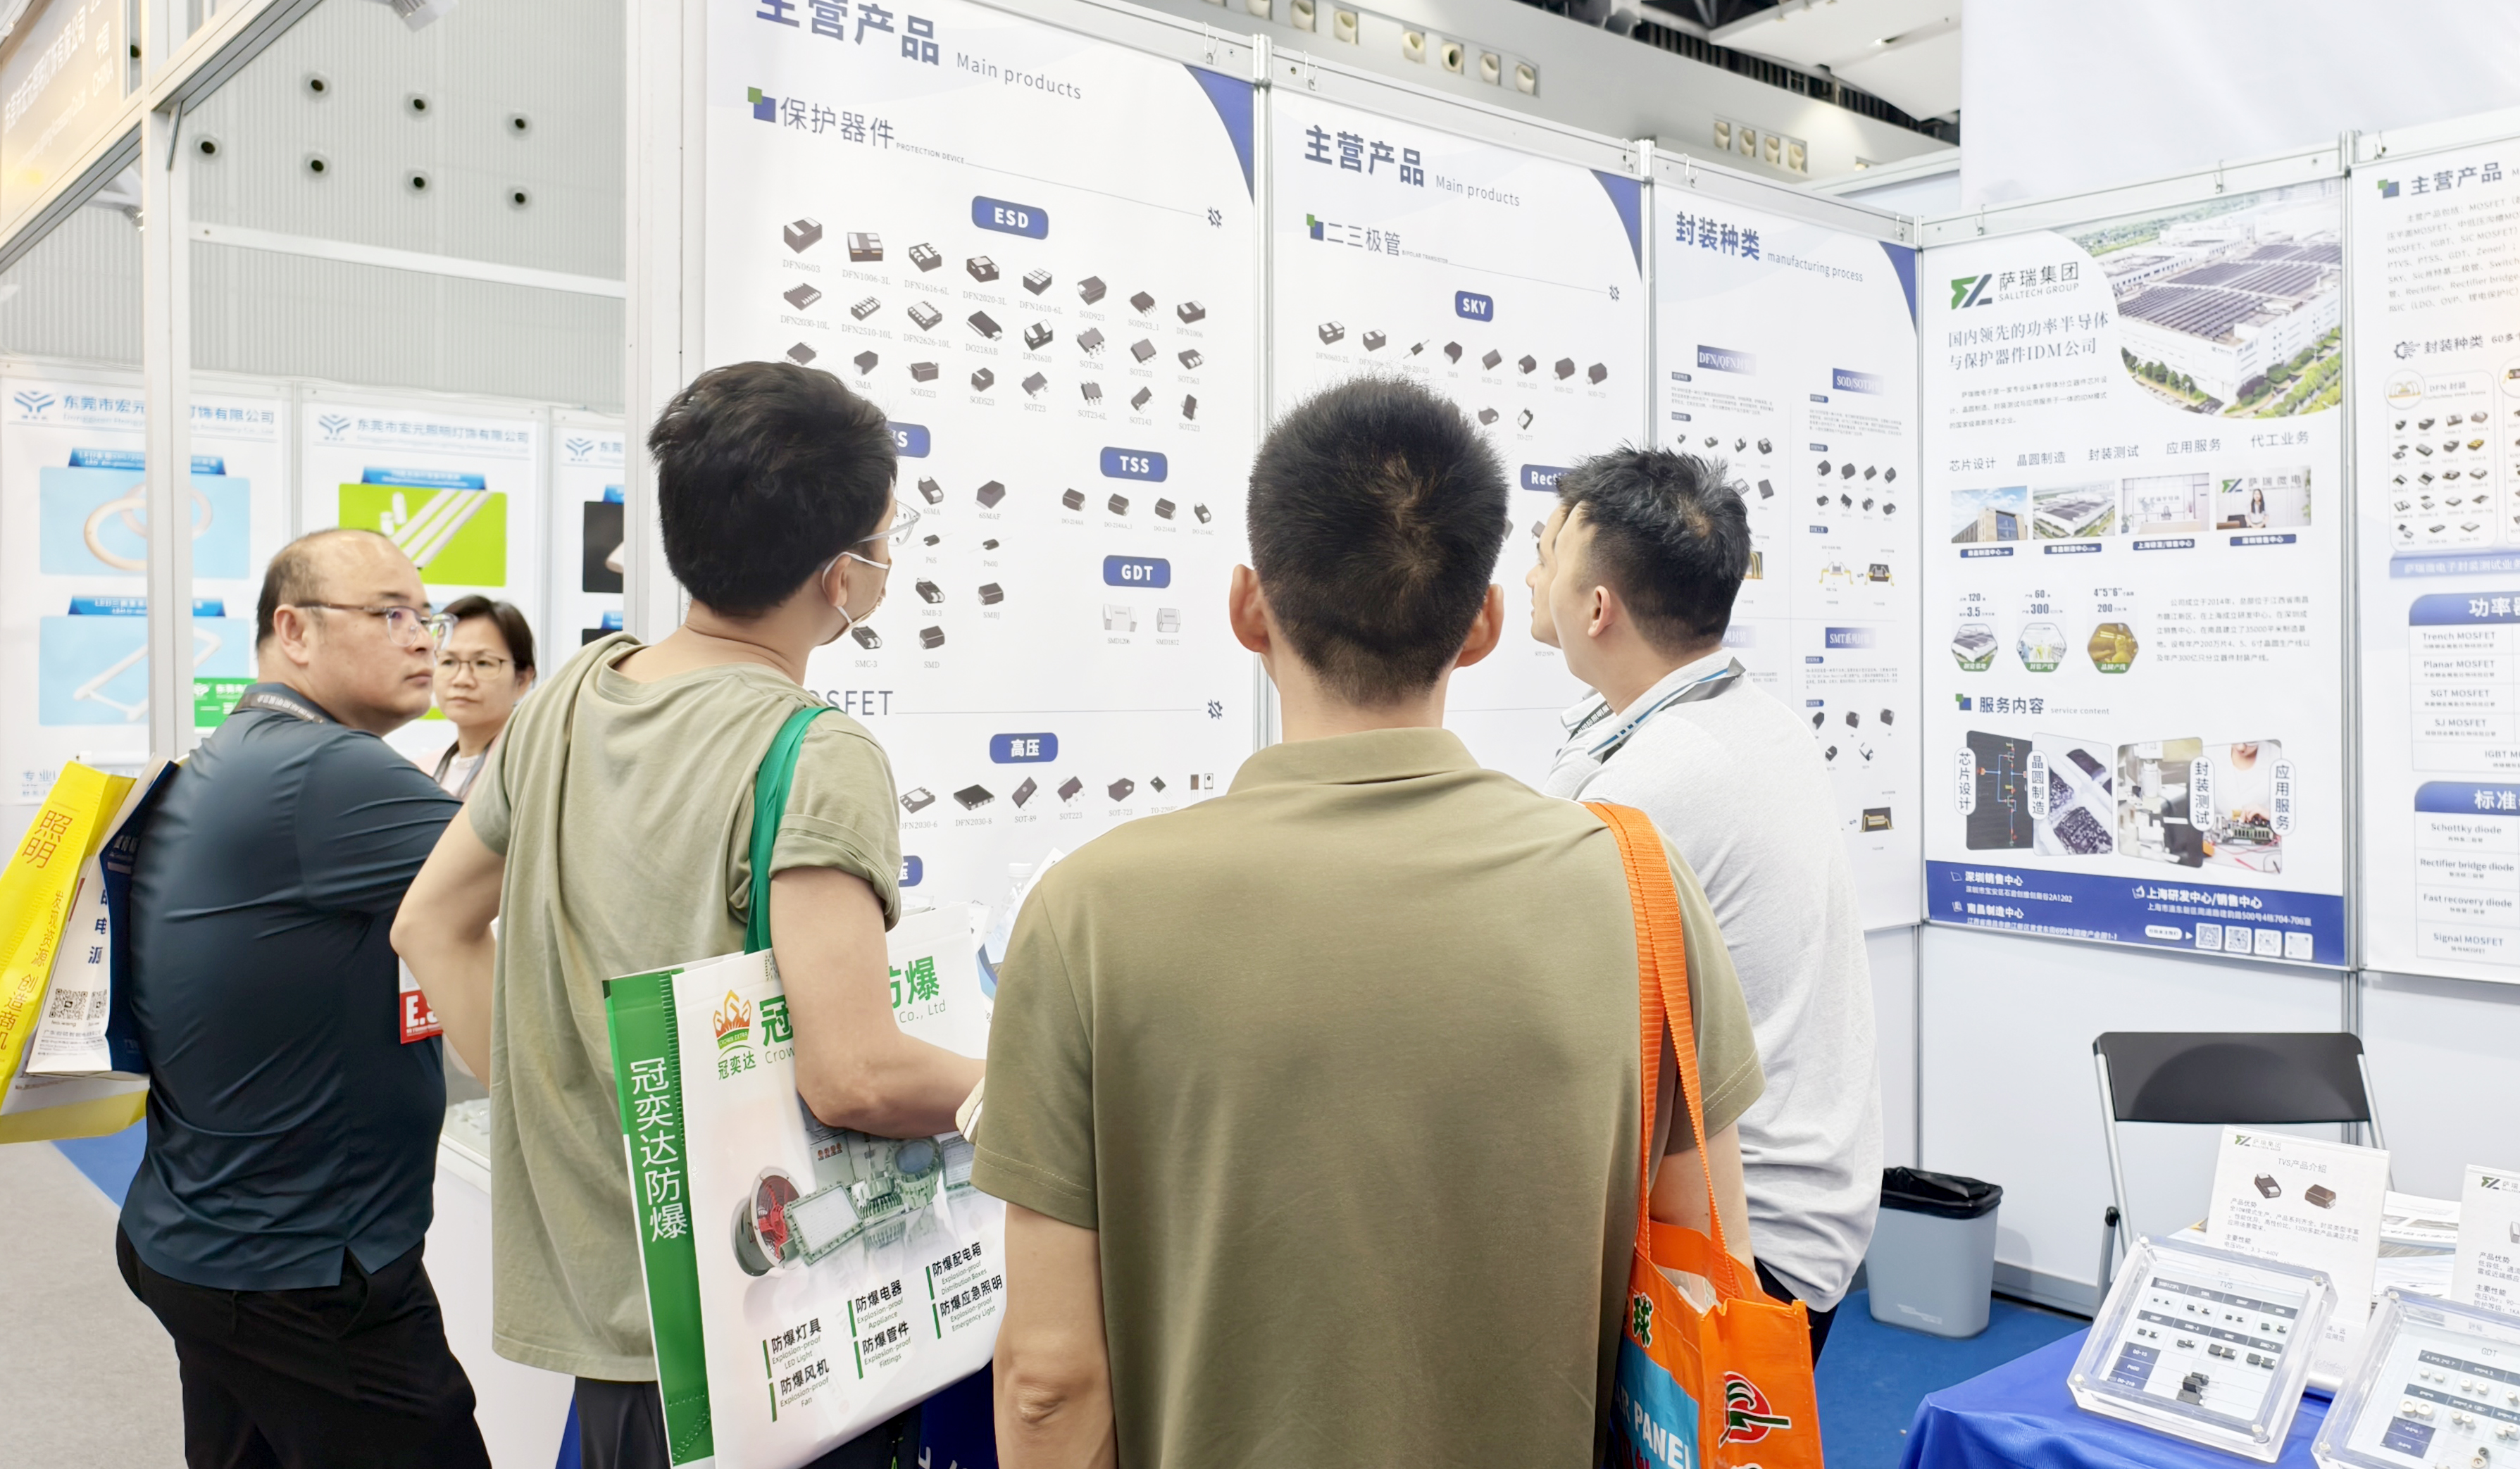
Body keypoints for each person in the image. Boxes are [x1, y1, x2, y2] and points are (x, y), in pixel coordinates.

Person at [975, 378, 1764, 1468]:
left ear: (1248, 608)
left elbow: (1048, 1379)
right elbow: (1706, 1264)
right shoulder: (1637, 883)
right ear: (1484, 624)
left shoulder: (1088, 911)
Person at [392, 361, 978, 1468]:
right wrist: (1035, 1093)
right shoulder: (814, 750)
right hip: (754, 1339)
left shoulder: (568, 697)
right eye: (885, 541)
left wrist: (562, 1109)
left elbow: (428, 924)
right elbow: (853, 1075)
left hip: (613, 1316)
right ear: (842, 577)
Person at [120, 527, 488, 1468]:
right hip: (306, 1275)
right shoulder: (326, 769)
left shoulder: (242, 751)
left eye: (428, 616)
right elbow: (552, 867)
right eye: (391, 614)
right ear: (294, 630)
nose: (425, 640)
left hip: (210, 1237)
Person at [1528, 447, 1882, 1363]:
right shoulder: (1743, 719)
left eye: (1546, 552)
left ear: (1596, 606)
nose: (1530, 574)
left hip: (1738, 1242)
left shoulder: (1656, 780)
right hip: (1800, 1205)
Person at [416, 594, 537, 797]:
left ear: (522, 680)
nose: (462, 679)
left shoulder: (532, 769)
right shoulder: (420, 772)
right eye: (448, 662)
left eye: (483, 663)